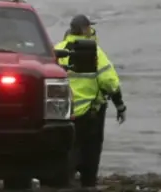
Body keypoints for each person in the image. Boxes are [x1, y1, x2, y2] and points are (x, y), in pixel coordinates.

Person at [54, 14, 126, 189]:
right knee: (91, 152)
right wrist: (120, 105)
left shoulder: (57, 50)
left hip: (61, 113)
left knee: (64, 150)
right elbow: (109, 81)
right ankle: (88, 184)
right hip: (90, 114)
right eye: (89, 28)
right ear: (85, 30)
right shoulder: (95, 52)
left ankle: (63, 182)